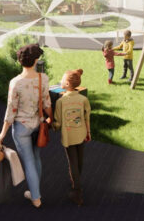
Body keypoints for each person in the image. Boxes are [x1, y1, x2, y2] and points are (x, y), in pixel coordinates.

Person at [0, 44, 52, 209]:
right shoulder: (43, 78)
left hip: (22, 129)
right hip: (38, 125)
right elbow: (47, 103)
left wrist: (2, 134)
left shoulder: (16, 83)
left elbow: (11, 111)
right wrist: (52, 119)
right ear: (35, 61)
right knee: (36, 158)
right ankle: (35, 190)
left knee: (28, 162)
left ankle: (36, 198)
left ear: (20, 61)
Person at [53, 69, 91, 206]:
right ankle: (77, 179)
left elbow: (58, 122)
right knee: (80, 160)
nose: (60, 81)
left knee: (72, 162)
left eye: (62, 80)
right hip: (81, 134)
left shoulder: (60, 102)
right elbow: (87, 117)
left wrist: (52, 125)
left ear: (67, 83)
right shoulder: (83, 99)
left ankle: (77, 191)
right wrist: (88, 132)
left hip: (69, 137)